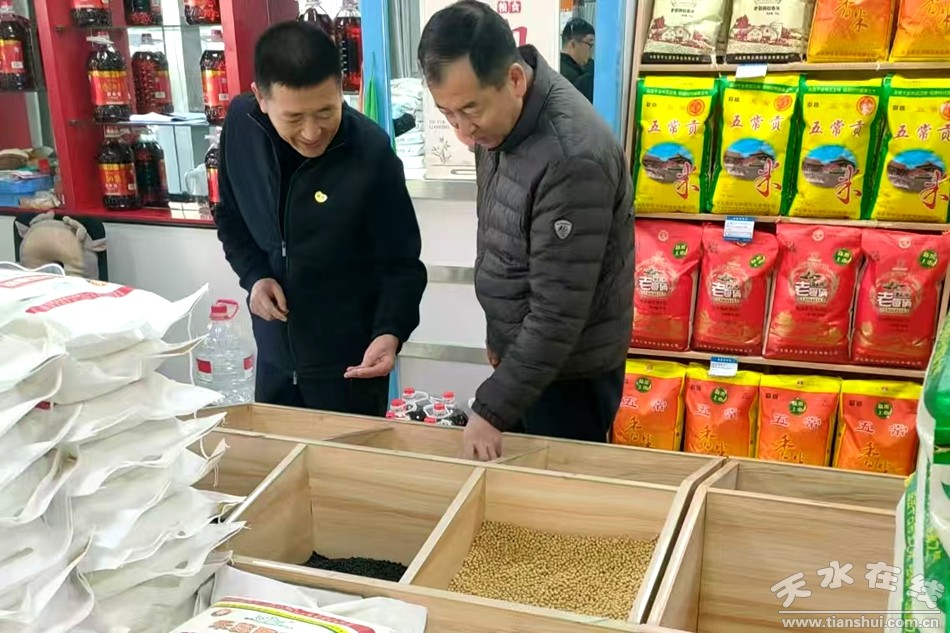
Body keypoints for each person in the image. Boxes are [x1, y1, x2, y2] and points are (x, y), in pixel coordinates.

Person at [418, 0, 634, 460]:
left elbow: (558, 312)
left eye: (470, 110)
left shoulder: (571, 158)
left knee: (556, 498)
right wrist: (500, 341)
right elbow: (507, 246)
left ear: (515, 79)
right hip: (528, 364)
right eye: (448, 114)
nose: (462, 131)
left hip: (569, 378)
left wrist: (492, 406)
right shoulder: (499, 123)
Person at [214, 21, 427, 416]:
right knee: (277, 452)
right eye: (294, 118)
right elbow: (230, 216)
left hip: (350, 370)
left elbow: (401, 264)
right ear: (260, 97)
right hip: (274, 360)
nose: (312, 132)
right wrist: (255, 277)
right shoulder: (242, 127)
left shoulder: (369, 151)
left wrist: (390, 332)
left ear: (340, 87)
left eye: (326, 111)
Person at [559, 17, 594, 102]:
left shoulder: (556, 67)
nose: (591, 50)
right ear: (573, 44)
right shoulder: (573, 79)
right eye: (590, 44)